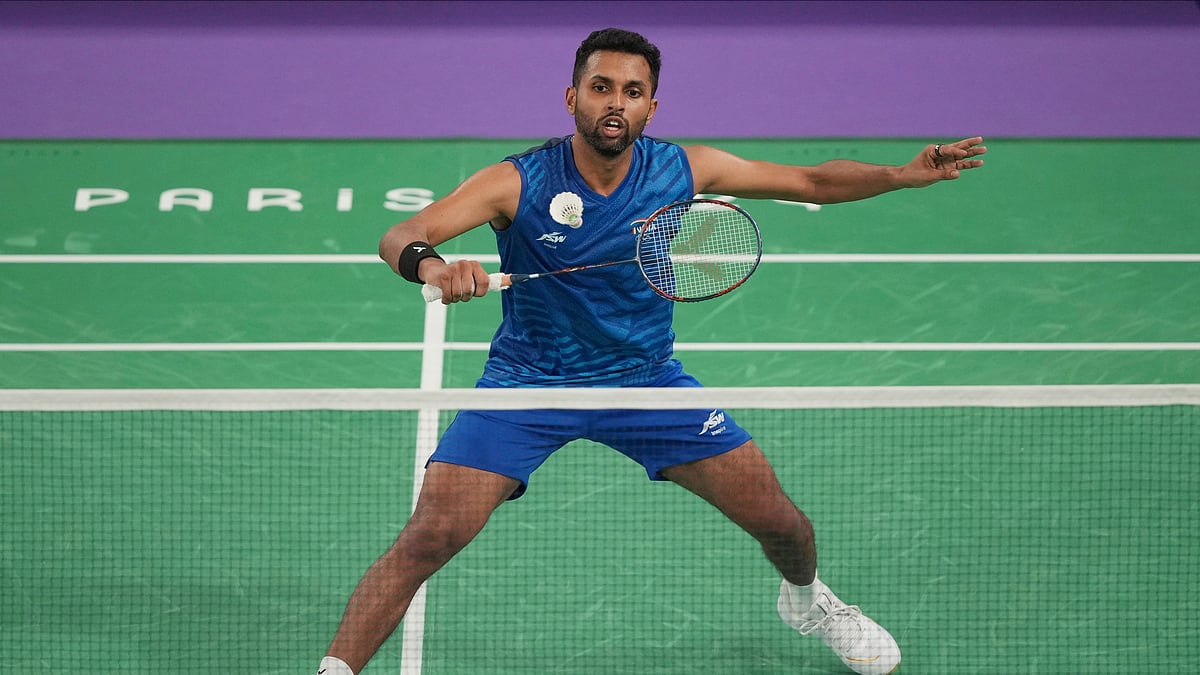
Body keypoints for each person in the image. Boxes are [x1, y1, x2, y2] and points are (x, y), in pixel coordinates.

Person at [319, 27, 984, 675]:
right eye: (601, 86)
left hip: (647, 384)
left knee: (785, 524)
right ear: (572, 97)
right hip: (527, 386)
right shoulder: (516, 181)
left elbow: (811, 182)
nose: (616, 101)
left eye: (632, 91)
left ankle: (809, 601)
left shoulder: (682, 169)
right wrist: (431, 267)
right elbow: (403, 232)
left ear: (651, 106)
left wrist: (901, 174)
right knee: (430, 535)